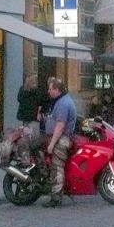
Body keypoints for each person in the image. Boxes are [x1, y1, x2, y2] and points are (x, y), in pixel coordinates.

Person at [42, 78, 77, 208]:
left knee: (57, 167)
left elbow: (60, 126)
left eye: (50, 89)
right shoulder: (62, 101)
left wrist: (52, 144)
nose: (48, 91)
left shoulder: (63, 103)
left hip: (61, 139)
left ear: (57, 90)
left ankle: (56, 198)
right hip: (60, 137)